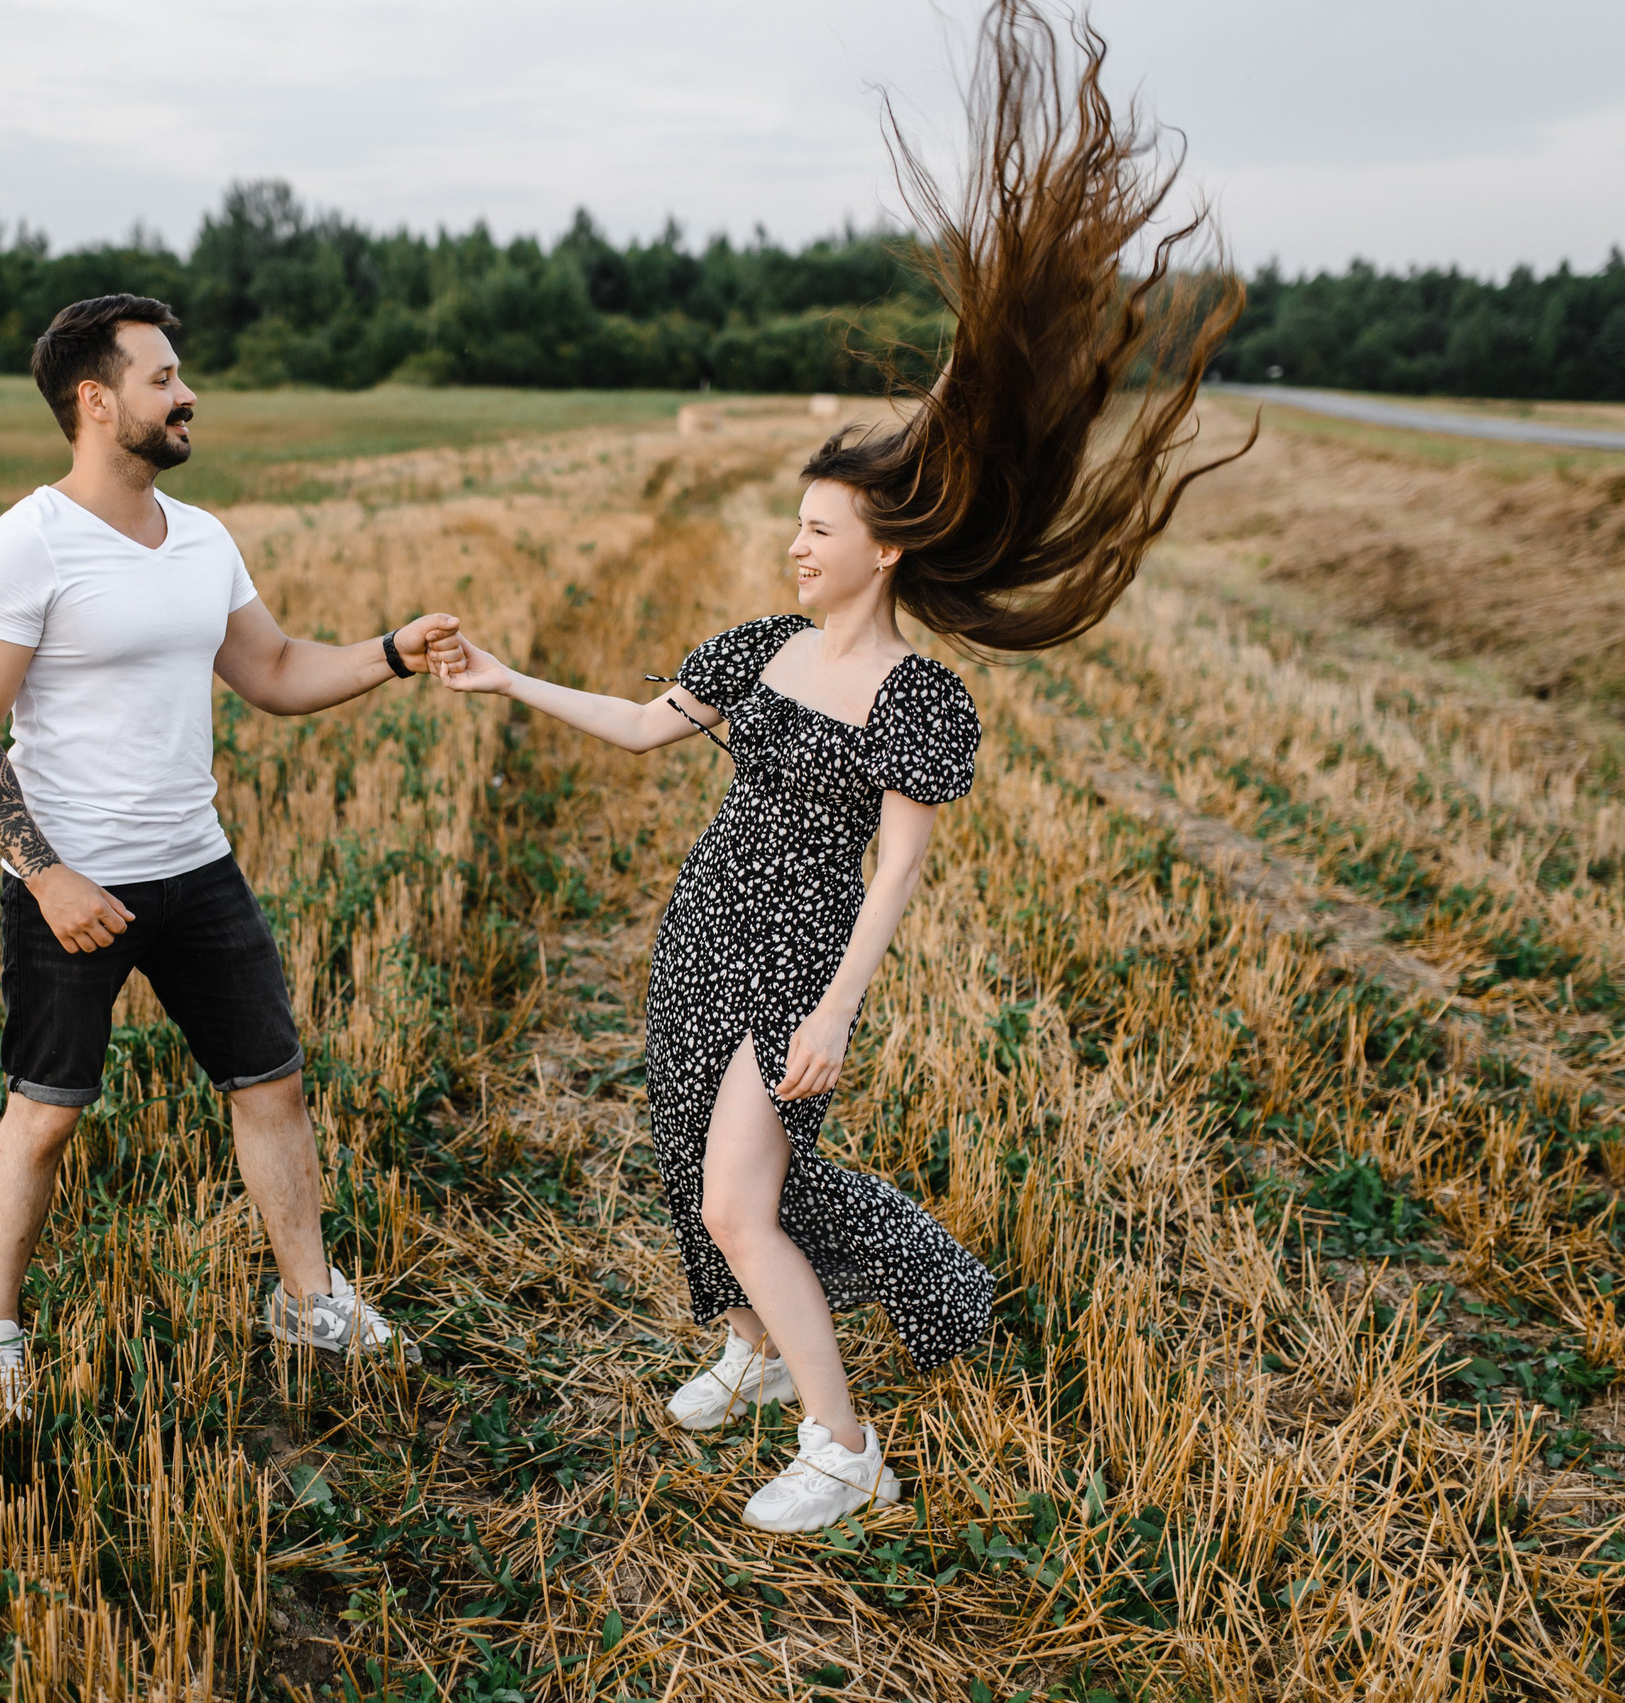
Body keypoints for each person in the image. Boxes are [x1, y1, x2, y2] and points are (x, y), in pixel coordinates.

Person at [424, 0, 1245, 1531]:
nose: (792, 542)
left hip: (797, 952)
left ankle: (843, 1443)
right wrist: (501, 678)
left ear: (881, 542)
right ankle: (744, 1342)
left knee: (744, 1192)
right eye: (791, 524)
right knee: (693, 1169)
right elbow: (640, 722)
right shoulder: (758, 650)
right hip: (703, 926)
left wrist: (836, 1006)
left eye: (816, 526)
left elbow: (900, 867)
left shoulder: (917, 693)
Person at [0, 294, 459, 1411]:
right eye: (163, 376)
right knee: (47, 1111)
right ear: (95, 399)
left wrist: (390, 653)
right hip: (73, 879)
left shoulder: (202, 535)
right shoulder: (21, 545)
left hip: (197, 865)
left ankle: (308, 1298)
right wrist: (49, 873)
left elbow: (269, 672)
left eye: (179, 375)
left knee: (270, 1081)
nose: (186, 393)